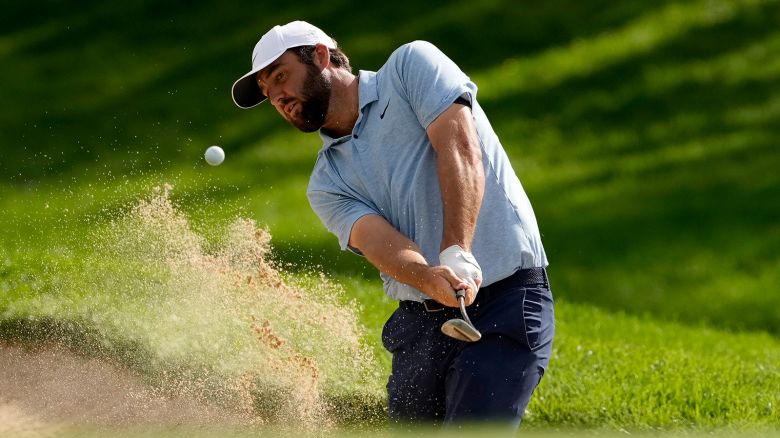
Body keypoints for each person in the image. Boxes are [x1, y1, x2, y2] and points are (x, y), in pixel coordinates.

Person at [231, 21, 554, 429]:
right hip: (420, 323)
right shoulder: (327, 181)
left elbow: (458, 146)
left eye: (281, 77)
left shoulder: (410, 67)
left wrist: (458, 249)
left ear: (320, 56)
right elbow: (377, 241)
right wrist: (428, 276)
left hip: (504, 301)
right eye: (267, 92)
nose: (278, 98)